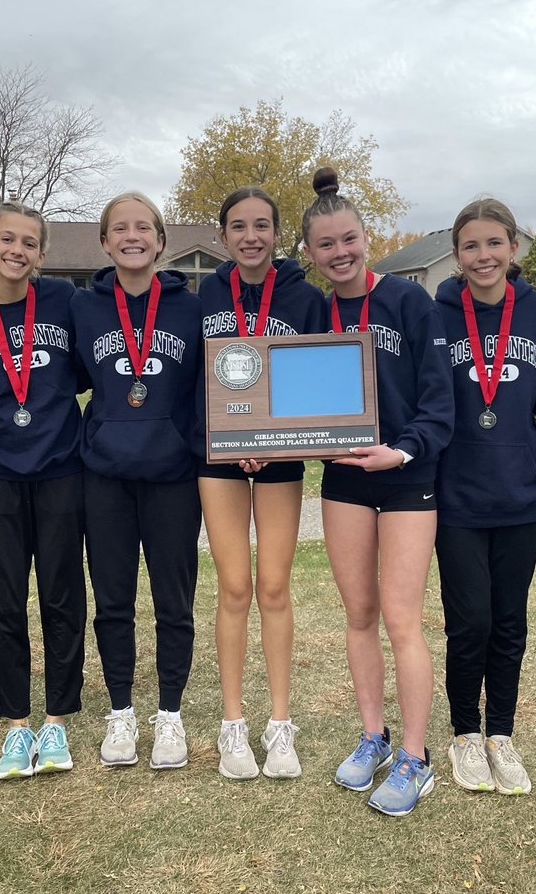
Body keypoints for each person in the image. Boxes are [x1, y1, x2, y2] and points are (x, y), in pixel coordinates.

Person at [304, 168, 453, 816]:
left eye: (349, 239)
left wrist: (401, 448)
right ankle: (373, 736)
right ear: (310, 253)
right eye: (326, 244)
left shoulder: (411, 303)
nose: (340, 252)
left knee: (400, 619)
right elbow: (297, 401)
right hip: (343, 480)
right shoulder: (314, 311)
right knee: (359, 613)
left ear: (368, 238)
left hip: (406, 475)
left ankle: (416, 759)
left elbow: (439, 401)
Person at [198, 187, 327, 780]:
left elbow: (313, 378)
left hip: (279, 460)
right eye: (239, 226)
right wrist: (229, 439)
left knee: (274, 587)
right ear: (223, 235)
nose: (251, 236)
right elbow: (192, 376)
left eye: (262, 226)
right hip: (218, 457)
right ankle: (232, 726)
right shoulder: (204, 293)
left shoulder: (304, 297)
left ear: (278, 234)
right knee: (234, 588)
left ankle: (279, 724)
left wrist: (274, 441)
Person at [72, 192, 203, 770]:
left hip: (173, 473)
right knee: (113, 600)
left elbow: (213, 385)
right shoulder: (83, 307)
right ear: (104, 242)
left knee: (175, 601)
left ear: (160, 240)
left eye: (144, 227)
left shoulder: (189, 308)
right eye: (120, 228)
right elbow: (53, 368)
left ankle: (170, 714)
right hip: (104, 473)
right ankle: (121, 713)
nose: (132, 236)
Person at [0, 202, 86, 779]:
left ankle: (57, 718)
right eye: (6, 239)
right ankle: (16, 724)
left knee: (62, 594)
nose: (18, 250)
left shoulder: (64, 302)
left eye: (30, 242)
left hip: (61, 466)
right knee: (5, 597)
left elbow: (90, 366)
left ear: (42, 254)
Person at [434, 198, 536, 796]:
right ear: (457, 254)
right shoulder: (439, 312)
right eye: (471, 246)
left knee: (509, 621)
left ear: (513, 247)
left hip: (522, 494)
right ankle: (465, 734)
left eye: (494, 244)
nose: (483, 255)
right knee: (469, 621)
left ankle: (501, 732)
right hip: (456, 494)